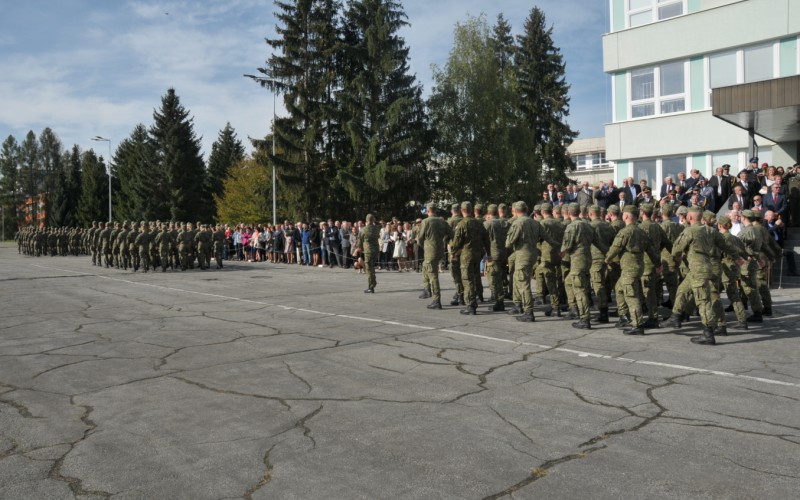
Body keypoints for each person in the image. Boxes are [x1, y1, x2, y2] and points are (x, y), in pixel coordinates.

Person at [605, 206, 659, 336]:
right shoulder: (641, 231)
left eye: (624, 214)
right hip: (638, 266)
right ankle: (624, 315)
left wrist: (607, 259)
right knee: (619, 288)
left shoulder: (625, 232)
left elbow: (615, 248)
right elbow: (651, 250)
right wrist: (657, 263)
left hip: (630, 268)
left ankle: (637, 324)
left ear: (627, 216)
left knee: (631, 296)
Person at [450, 201, 490, 315]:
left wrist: (453, 252)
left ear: (462, 211)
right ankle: (477, 296)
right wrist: (489, 253)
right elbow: (486, 238)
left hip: (466, 255)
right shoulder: (478, 223)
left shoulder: (463, 223)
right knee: (475, 276)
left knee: (467, 280)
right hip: (478, 254)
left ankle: (471, 305)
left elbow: (457, 241)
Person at [417, 204, 452, 309]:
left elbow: (420, 238)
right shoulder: (442, 221)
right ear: (436, 210)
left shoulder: (426, 222)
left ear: (428, 211)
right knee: (425, 266)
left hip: (430, 251)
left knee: (433, 275)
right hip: (440, 250)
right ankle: (427, 289)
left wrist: (424, 246)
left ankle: (436, 300)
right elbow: (451, 234)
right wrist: (444, 241)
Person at [356, 214, 381, 293]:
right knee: (372, 266)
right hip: (376, 250)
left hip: (368, 251)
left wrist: (359, 248)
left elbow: (359, 243)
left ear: (366, 221)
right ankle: (373, 281)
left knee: (369, 268)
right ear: (373, 220)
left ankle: (371, 286)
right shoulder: (377, 229)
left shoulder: (363, 230)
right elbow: (379, 225)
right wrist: (374, 221)